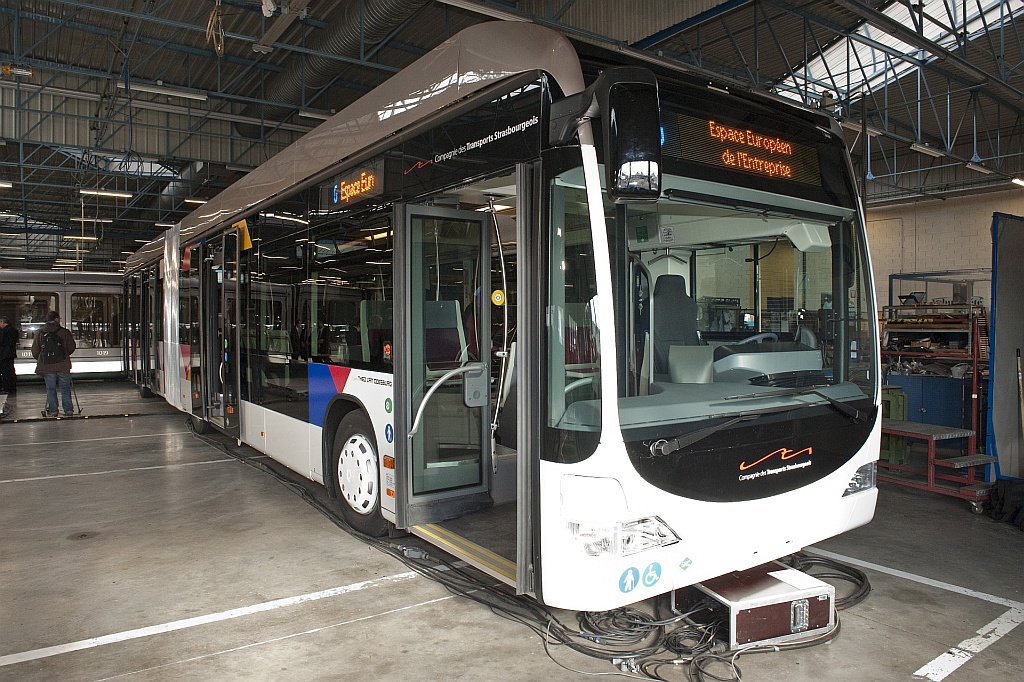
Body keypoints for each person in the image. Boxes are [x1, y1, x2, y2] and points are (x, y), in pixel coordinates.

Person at [32, 311, 77, 417]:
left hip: (47, 366)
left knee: (50, 388)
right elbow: (72, 347)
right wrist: (64, 355)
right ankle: (68, 410)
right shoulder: (64, 332)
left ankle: (53, 411)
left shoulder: (40, 332)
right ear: (56, 319)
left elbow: (35, 350)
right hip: (62, 365)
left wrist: (43, 359)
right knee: (65, 387)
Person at [0, 316, 18, 396]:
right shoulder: (14, 330)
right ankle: (12, 387)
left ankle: (6, 388)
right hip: (11, 353)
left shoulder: (4, 331)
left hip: (3, 354)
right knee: (11, 371)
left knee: (5, 372)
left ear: (3, 322)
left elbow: (1, 342)